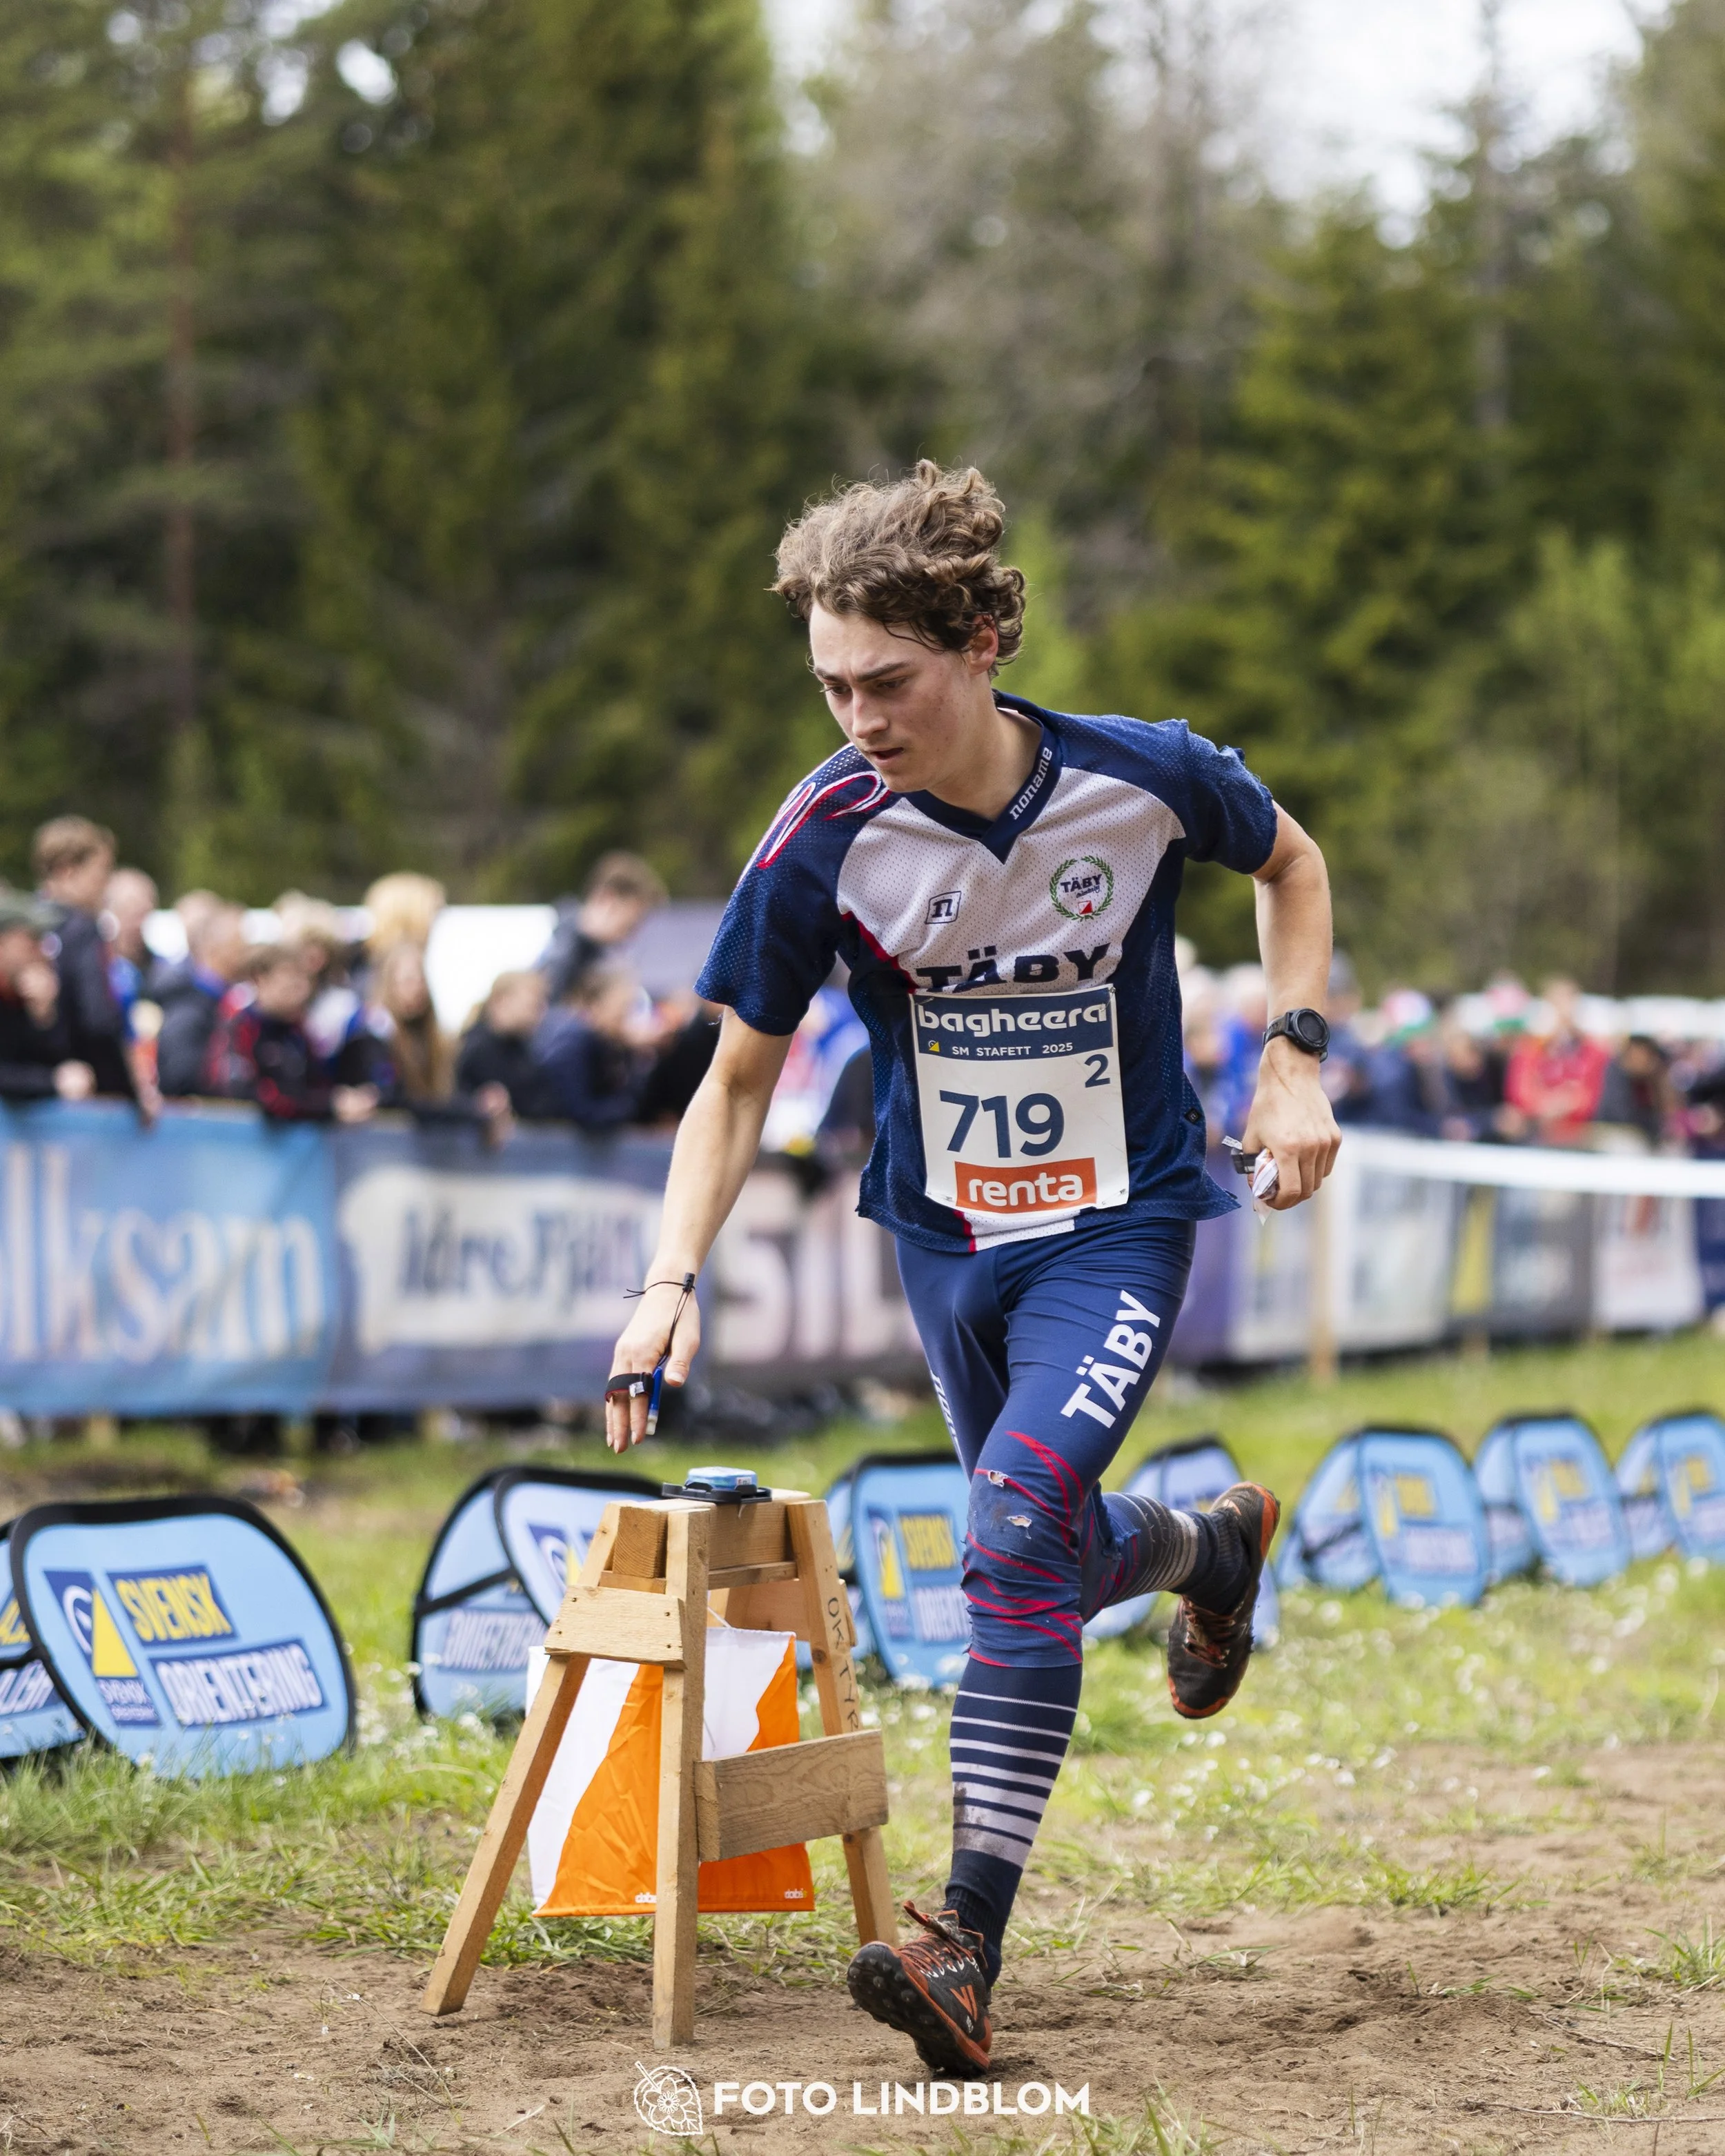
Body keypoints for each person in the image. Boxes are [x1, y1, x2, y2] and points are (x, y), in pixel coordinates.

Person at [603, 461, 1339, 2077]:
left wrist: (1291, 1055)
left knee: (1009, 1529)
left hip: (1121, 1220)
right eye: (830, 684)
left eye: (890, 680)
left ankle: (965, 1946)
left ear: (985, 638)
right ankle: (1210, 1550)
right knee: (1047, 1559)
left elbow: (1293, 864)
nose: (858, 714)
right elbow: (734, 1082)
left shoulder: (1138, 780)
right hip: (946, 1240)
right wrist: (668, 1277)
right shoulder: (823, 838)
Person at [32, 816, 145, 1109]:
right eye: (102, 871)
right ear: (68, 870)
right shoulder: (83, 929)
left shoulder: (21, 932)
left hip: (28, 1097)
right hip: (79, 1099)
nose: (107, 885)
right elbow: (98, 1022)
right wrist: (130, 1094)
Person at [204, 945, 377, 1123]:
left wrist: (343, 1099)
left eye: (305, 983)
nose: (301, 993)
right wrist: (327, 1105)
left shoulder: (298, 1031)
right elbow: (250, 1094)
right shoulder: (242, 1028)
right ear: (260, 980)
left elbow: (316, 1084)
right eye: (290, 986)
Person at [0, 893, 95, 1102]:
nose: (41, 951)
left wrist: (44, 1018)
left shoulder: (25, 995)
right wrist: (51, 1082)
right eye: (31, 940)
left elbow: (50, 1061)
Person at [539, 851, 668, 1002]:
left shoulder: (597, 954)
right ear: (608, 899)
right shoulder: (558, 947)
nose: (631, 936)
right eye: (630, 926)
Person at [537, 962, 650, 1131]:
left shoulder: (609, 1046)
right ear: (596, 1006)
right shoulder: (571, 1047)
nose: (626, 1019)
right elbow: (582, 1113)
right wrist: (629, 1105)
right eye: (621, 1010)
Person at [154, 900, 248, 1097]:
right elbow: (179, 1078)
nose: (246, 955)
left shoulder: (223, 1002)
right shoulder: (188, 1005)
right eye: (239, 945)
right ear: (214, 949)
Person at [1505, 976, 1609, 1145]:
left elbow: (1595, 1095)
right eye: (1557, 1005)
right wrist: (1546, 1105)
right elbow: (1519, 1093)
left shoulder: (1592, 1050)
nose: (1563, 1012)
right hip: (1537, 1133)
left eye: (1568, 1004)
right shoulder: (1530, 1048)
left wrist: (1569, 1104)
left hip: (1580, 1135)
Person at [455, 969, 560, 1118]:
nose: (541, 1013)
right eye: (533, 1005)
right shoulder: (476, 1049)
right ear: (503, 1000)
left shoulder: (523, 1049)